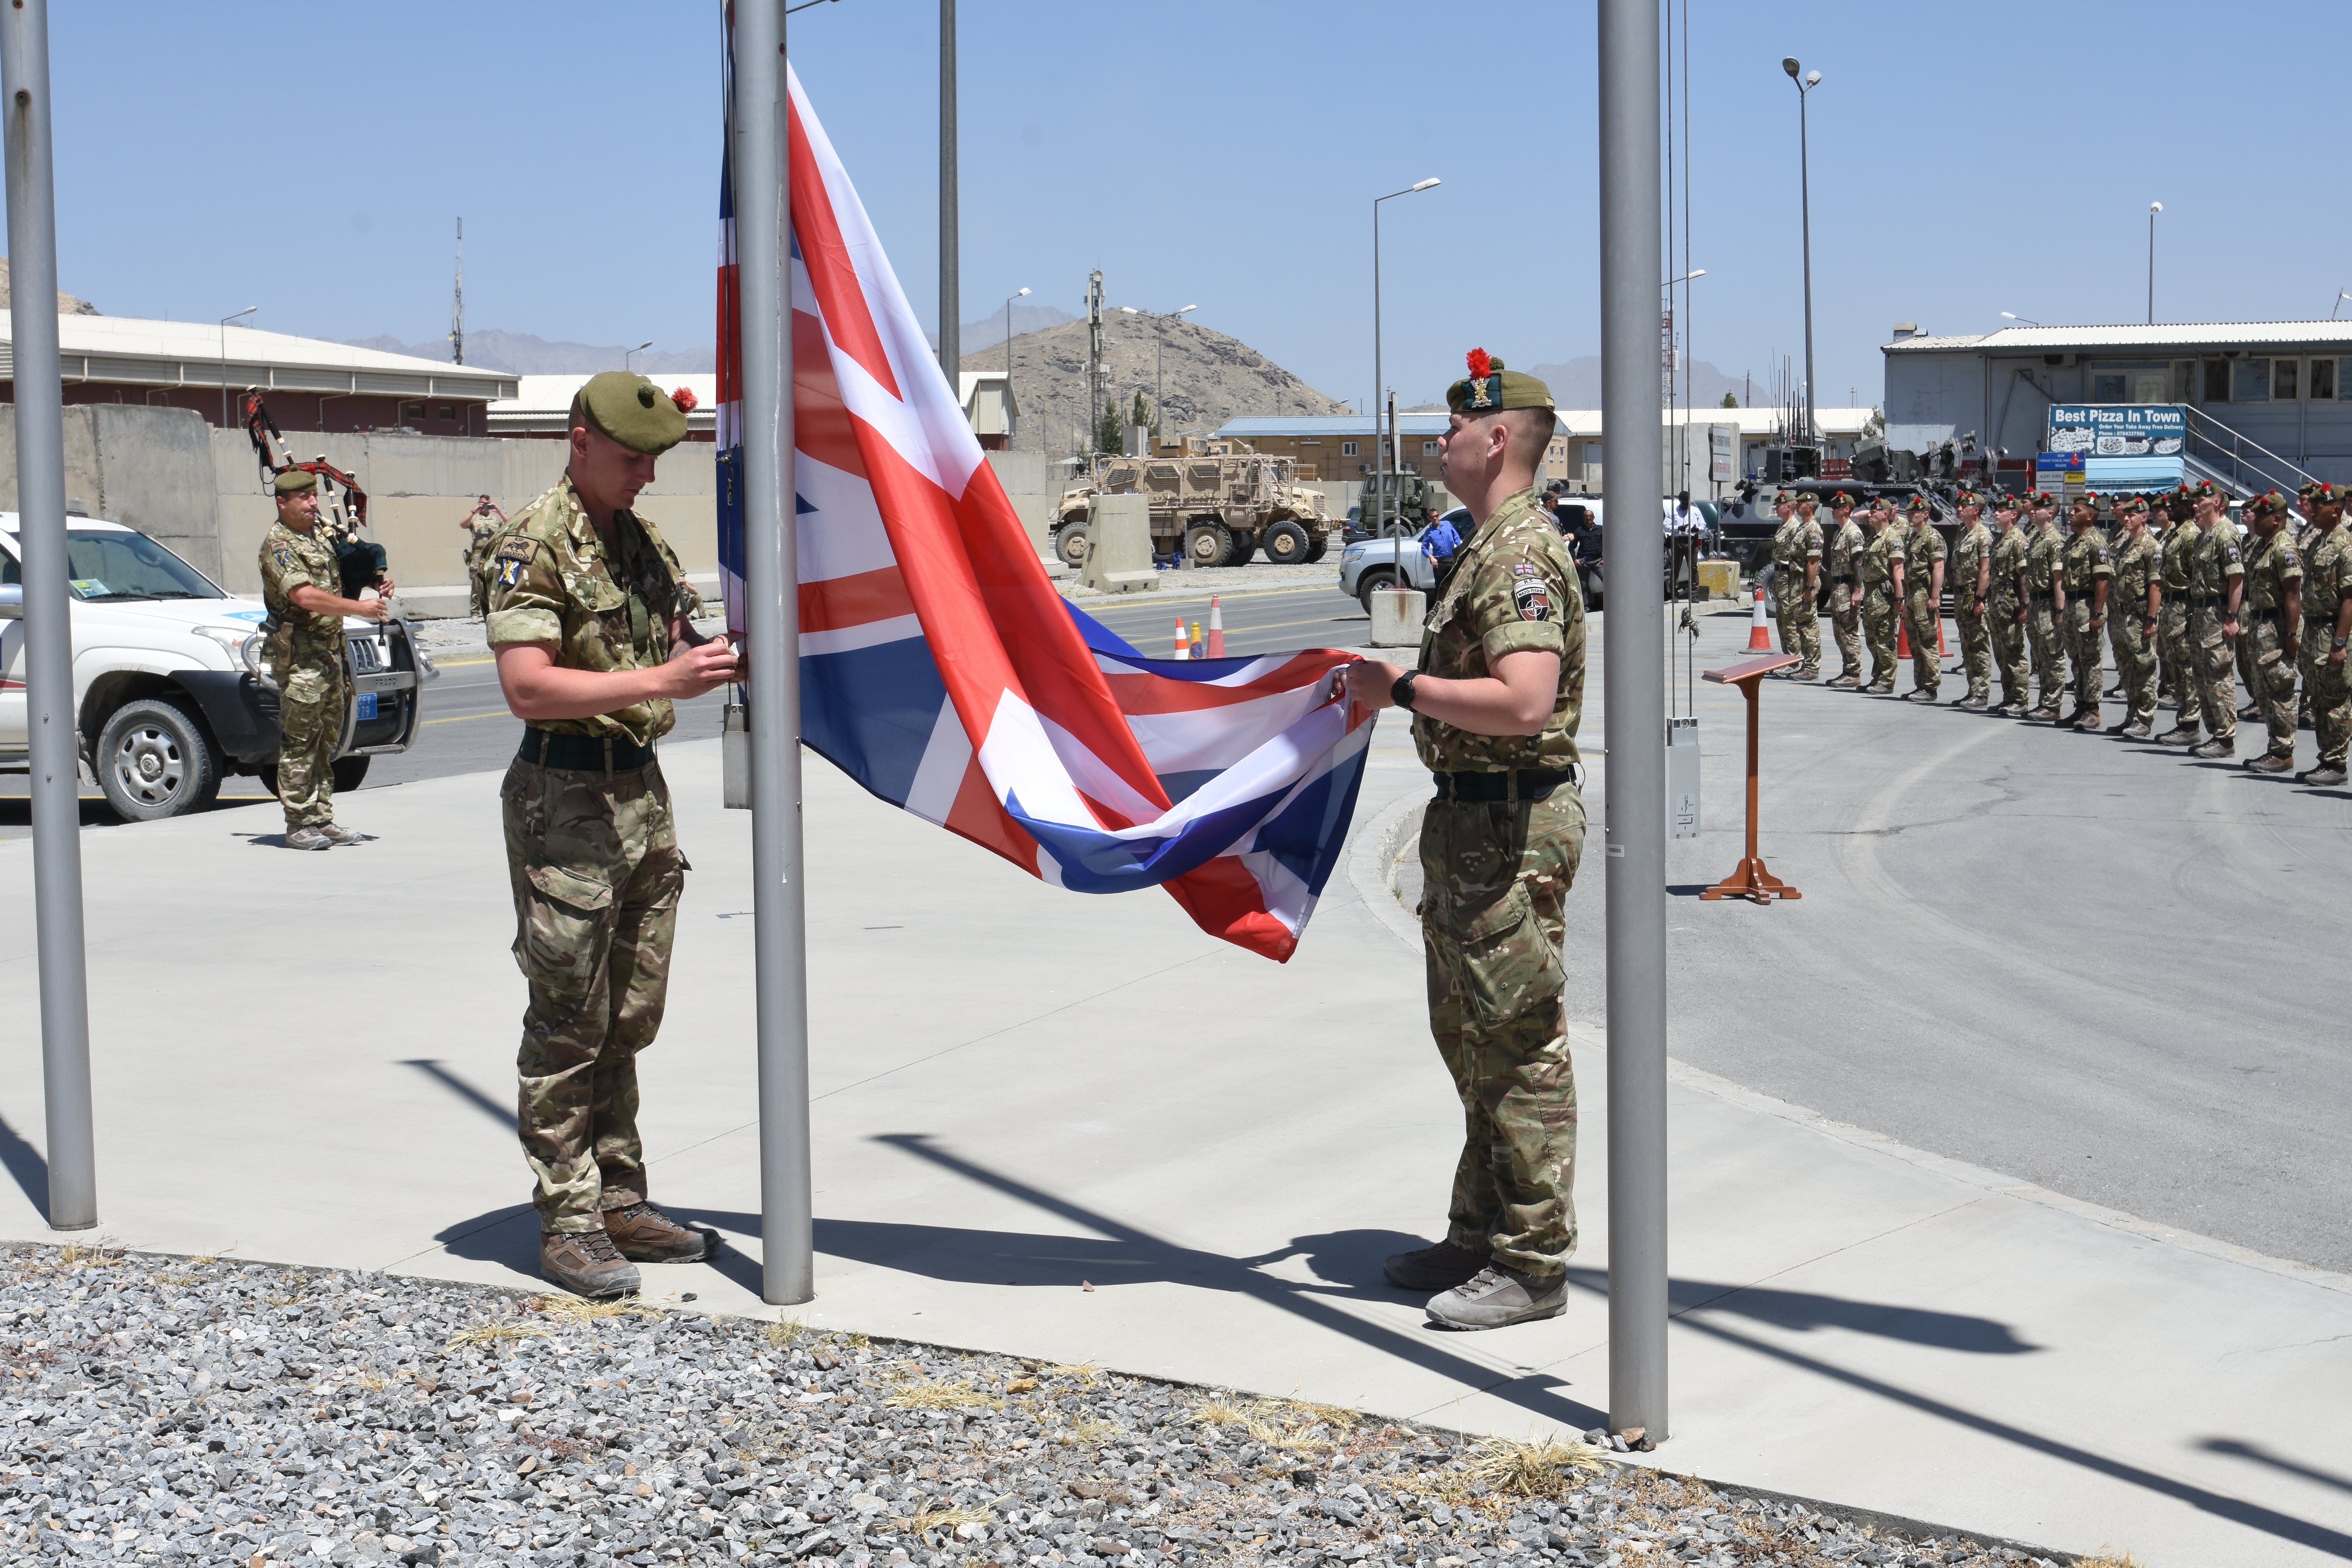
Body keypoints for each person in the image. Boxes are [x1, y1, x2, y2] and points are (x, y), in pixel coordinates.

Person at [486, 372, 739, 1298]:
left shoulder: (637, 539)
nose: (645, 476)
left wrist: (702, 656)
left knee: (628, 1013)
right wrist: (661, 684)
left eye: (654, 461)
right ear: (579, 439)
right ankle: (569, 1218)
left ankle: (620, 1195)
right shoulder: (535, 542)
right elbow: (528, 684)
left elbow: (678, 635)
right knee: (567, 1021)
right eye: (633, 458)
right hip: (564, 796)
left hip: (638, 795)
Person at [1346, 351, 1585, 1332]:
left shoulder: (1518, 553)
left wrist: (1397, 688)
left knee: (1518, 1041)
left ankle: (1532, 1263)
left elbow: (1525, 700)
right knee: (1471, 1036)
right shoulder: (1484, 545)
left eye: (1452, 428)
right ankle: (1480, 1229)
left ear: (1496, 439)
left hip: (1511, 822)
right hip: (1473, 820)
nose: (1438, 443)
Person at [257, 468, 394, 851]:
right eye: (303, 498)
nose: (313, 503)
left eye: (314, 495)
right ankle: (299, 822)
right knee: (300, 739)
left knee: (326, 738)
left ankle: (321, 815)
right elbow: (305, 596)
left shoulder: (317, 535)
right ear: (282, 503)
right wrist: (360, 608)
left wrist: (374, 580)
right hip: (301, 656)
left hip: (330, 652)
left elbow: (344, 571)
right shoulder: (279, 546)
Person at [2238, 490, 2303, 773]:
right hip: (2259, 624)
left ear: (2277, 519)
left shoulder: (2284, 548)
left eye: (2263, 516)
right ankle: (2274, 748)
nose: (2257, 519)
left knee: (2280, 692)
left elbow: (2293, 595)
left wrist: (2290, 635)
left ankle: (2283, 753)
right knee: (2263, 693)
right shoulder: (2262, 546)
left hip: (2277, 627)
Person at [2296, 481, 2352, 785]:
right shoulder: (2319, 542)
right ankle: (2326, 758)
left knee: (2336, 702)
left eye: (2319, 506)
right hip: (2314, 630)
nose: (2313, 510)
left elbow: (2351, 598)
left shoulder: (2346, 544)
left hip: (2334, 629)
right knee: (2318, 700)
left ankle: (2337, 764)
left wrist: (2340, 642)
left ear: (2337, 510)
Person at [2185, 480, 2245, 760]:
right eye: (2195, 501)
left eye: (2201, 501)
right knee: (2203, 676)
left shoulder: (2225, 534)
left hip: (2217, 613)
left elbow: (2236, 578)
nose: (2195, 506)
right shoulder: (2204, 536)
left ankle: (2225, 737)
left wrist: (2232, 617)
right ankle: (2214, 734)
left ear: (2218, 504)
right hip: (2201, 615)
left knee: (2219, 675)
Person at [2105, 495, 2161, 738]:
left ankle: (2144, 719)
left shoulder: (2152, 547)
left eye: (2132, 515)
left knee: (2144, 669)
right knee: (2126, 670)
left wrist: (2151, 619)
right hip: (2120, 617)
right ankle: (2131, 716)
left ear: (2144, 517)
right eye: (2125, 514)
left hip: (2139, 618)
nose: (2126, 518)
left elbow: (2155, 586)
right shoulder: (2122, 545)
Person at [2058, 494, 2111, 730]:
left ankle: (2092, 710)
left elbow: (2102, 580)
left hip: (2087, 605)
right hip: (2071, 604)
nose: (2071, 513)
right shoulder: (2072, 542)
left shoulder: (2096, 542)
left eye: (2076, 510)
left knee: (2090, 660)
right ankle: (2080, 707)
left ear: (2090, 515)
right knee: (2077, 660)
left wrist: (2098, 613)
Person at [2155, 488, 2202, 746]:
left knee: (2186, 669)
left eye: (2175, 504)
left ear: (2188, 506)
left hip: (2183, 607)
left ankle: (2190, 724)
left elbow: (2196, 577)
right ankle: (2184, 720)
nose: (2169, 508)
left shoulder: (2191, 535)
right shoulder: (2176, 533)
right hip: (2170, 607)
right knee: (2175, 668)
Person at [2022, 492, 2068, 720]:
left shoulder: (2055, 541)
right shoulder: (2038, 539)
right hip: (2036, 604)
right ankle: (2044, 702)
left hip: (2049, 603)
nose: (2033, 511)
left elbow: (2058, 578)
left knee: (2053, 656)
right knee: (2040, 656)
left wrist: (2060, 611)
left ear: (2050, 513)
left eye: (2039, 508)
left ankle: (2053, 705)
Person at [1768, 494, 1823, 679]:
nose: (1776, 508)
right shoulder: (1798, 527)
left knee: (1799, 623)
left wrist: (1809, 587)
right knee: (1785, 620)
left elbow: (1812, 560)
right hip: (1787, 579)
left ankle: (1800, 662)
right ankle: (1789, 660)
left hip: (1793, 578)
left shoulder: (1803, 528)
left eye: (1780, 504)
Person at [1948, 491, 1993, 709]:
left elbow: (1986, 570)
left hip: (1973, 596)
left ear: (1976, 510)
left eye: (1964, 505)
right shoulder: (1962, 533)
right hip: (1961, 596)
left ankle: (1982, 693)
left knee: (1979, 646)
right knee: (1967, 646)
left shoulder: (1983, 535)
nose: (1958, 508)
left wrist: (1980, 598)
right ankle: (1973, 690)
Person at [1900, 494, 1946, 702]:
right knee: (1915, 642)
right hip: (1911, 594)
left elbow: (1938, 567)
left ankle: (1930, 687)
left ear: (1926, 514)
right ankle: (1920, 685)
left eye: (1915, 512)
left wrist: (1935, 596)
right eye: (1909, 512)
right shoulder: (1912, 537)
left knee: (1927, 641)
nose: (1910, 515)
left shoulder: (1932, 537)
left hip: (1923, 593)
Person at [1987, 495, 2032, 715]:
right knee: (2002, 654)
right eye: (1996, 510)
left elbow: (2023, 575)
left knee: (2015, 653)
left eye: (2002, 510)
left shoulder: (2019, 541)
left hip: (2011, 605)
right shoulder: (2000, 540)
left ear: (2013, 515)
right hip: (1997, 604)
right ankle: (2009, 697)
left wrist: (2024, 606)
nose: (1996, 513)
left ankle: (2021, 700)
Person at [1821, 492, 1867, 688]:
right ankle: (1847, 670)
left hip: (1848, 587)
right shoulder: (1840, 531)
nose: (1832, 510)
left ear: (1847, 509)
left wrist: (1858, 590)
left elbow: (1858, 564)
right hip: (1838, 587)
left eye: (1836, 507)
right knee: (1840, 633)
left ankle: (1854, 672)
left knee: (1849, 631)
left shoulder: (1853, 533)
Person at [1860, 497, 1901, 693]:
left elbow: (1898, 569)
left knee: (1885, 639)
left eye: (1874, 511)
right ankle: (1877, 677)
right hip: (1870, 593)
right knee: (1872, 639)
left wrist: (1899, 599)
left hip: (1884, 595)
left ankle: (1887, 681)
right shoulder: (1872, 538)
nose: (1870, 514)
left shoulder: (1892, 537)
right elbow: (1856, 516)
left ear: (1885, 514)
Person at [461, 494, 511, 620]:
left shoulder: (496, 519)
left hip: (493, 554)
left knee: (493, 584)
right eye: (482, 504)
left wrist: (498, 510)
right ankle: (475, 613)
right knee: (477, 584)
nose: (485, 506)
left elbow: (511, 524)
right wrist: (474, 511)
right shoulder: (475, 518)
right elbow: (462, 524)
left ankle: (491, 612)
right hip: (477, 555)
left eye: (487, 504)